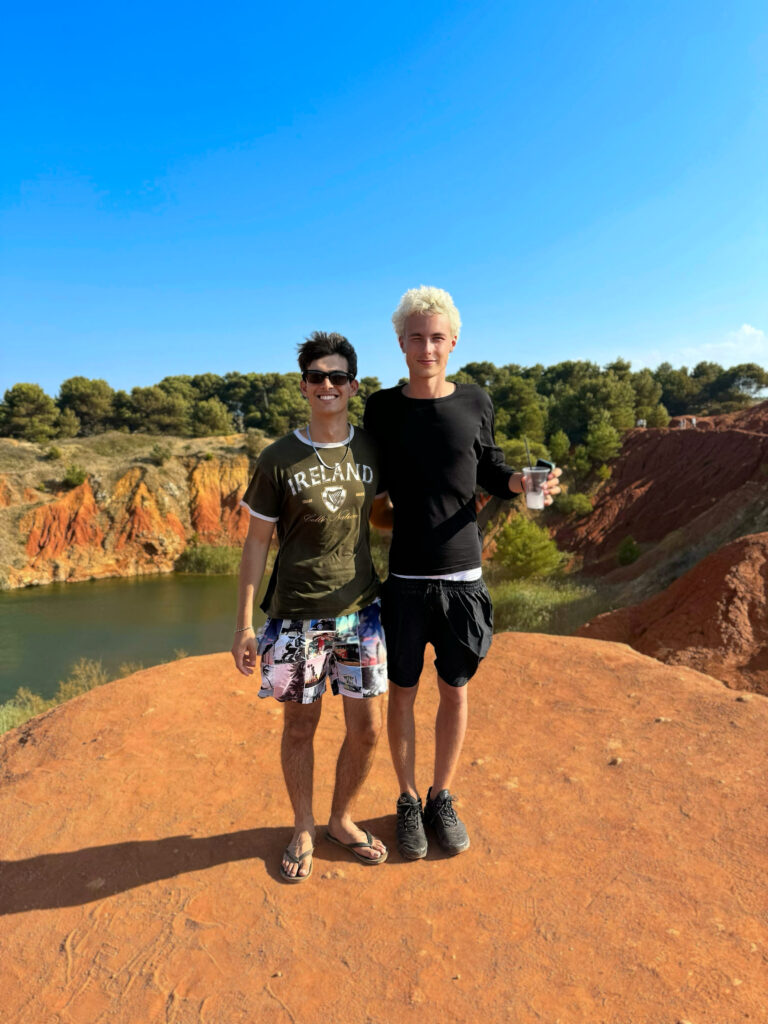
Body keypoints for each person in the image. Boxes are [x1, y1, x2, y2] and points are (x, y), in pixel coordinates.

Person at [364, 286, 561, 859]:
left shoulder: (476, 401)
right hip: (404, 581)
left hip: (462, 578)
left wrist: (524, 483)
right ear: (401, 343)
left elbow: (492, 468)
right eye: (416, 337)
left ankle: (440, 796)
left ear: (454, 342)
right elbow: (368, 482)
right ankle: (405, 799)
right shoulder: (381, 407)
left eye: (437, 337)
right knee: (402, 692)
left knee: (454, 690)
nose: (427, 347)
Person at [232, 332, 388, 882]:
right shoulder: (279, 458)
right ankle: (303, 823)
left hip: (363, 612)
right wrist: (245, 624)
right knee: (300, 726)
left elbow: (383, 515)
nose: (328, 386)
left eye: (338, 377)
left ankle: (341, 819)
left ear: (353, 386)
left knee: (367, 728)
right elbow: (256, 543)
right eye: (317, 377)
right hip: (295, 615)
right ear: (304, 386)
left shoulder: (371, 448)